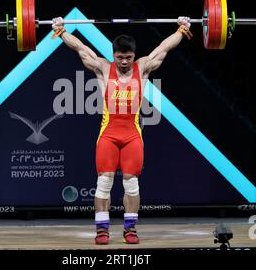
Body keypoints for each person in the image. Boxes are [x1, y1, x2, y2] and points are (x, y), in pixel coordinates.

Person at [52, 16, 192, 244]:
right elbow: (81, 49)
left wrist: (182, 29)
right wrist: (61, 30)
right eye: (120, 57)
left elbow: (164, 48)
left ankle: (130, 229)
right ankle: (102, 230)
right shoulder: (104, 68)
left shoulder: (143, 67)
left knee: (131, 183)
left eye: (128, 57)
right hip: (108, 135)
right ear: (113, 54)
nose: (124, 62)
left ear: (134, 55)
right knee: (104, 182)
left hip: (132, 136)